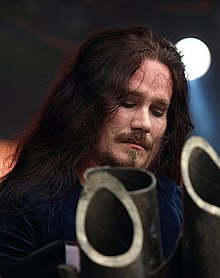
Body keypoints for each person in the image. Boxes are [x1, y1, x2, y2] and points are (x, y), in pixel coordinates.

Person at [0, 24, 193, 273]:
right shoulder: (26, 205)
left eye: (157, 111)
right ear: (85, 106)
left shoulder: (181, 211)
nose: (143, 124)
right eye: (127, 102)